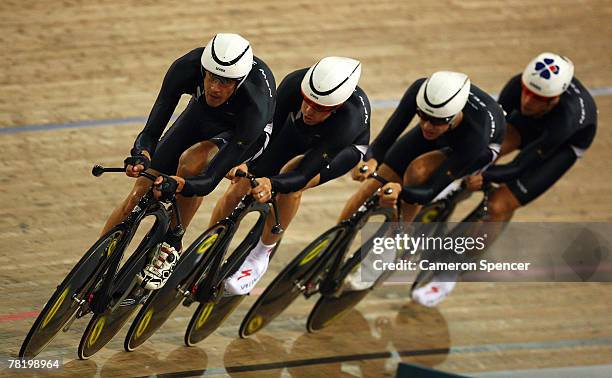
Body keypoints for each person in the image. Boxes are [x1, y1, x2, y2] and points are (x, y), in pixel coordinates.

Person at [100, 33, 276, 290]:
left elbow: (207, 182)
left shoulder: (255, 103)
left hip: (243, 134)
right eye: (212, 77)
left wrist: (178, 184)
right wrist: (141, 154)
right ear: (203, 69)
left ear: (239, 81)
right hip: (202, 113)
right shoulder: (186, 66)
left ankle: (173, 241)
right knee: (140, 191)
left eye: (226, 82)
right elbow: (152, 129)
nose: (216, 87)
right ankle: (94, 266)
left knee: (193, 163)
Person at [419, 52, 598, 306]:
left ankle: (448, 276)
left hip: (561, 146)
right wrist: (466, 169)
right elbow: (492, 136)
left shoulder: (566, 119)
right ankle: (450, 195)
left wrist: (484, 176)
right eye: (526, 91)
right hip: (529, 125)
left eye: (538, 98)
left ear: (554, 100)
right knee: (480, 156)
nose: (526, 101)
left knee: (499, 205)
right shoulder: (516, 88)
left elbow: (518, 167)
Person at [208, 56, 370, 295]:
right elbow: (266, 134)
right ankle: (209, 243)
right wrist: (244, 162)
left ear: (336, 107)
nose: (308, 110)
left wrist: (271, 183)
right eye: (306, 101)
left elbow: (304, 173)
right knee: (244, 179)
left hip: (339, 150)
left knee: (292, 183)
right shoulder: (294, 83)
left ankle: (262, 254)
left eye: (320, 109)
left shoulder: (350, 118)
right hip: (296, 132)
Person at [341, 71, 507, 302]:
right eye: (422, 115)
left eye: (436, 121)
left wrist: (402, 190)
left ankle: (396, 237)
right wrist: (371, 160)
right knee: (371, 186)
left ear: (454, 114)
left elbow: (428, 189)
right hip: (445, 133)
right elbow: (387, 137)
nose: (427, 125)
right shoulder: (421, 91)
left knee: (418, 172)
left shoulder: (477, 131)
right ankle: (334, 248)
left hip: (477, 149)